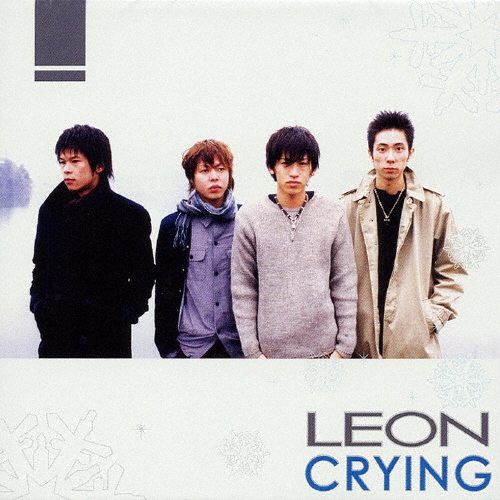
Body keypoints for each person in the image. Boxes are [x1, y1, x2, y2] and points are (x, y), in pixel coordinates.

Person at [341, 110, 466, 358]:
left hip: (414, 346)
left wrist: (431, 318)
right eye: (382, 149)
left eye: (399, 149)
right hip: (359, 345)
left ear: (410, 152)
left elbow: (453, 269)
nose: (390, 157)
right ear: (370, 153)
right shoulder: (348, 206)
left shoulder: (434, 206)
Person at [231, 126, 357, 359]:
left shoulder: (333, 213)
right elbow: (243, 288)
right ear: (272, 167)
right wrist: (253, 352)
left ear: (313, 169)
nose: (294, 173)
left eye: (302, 164)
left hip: (325, 353)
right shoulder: (250, 217)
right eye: (286, 164)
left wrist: (344, 349)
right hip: (269, 356)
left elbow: (344, 282)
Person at [30, 124, 155, 358]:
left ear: (100, 165)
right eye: (62, 162)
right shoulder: (50, 211)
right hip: (56, 340)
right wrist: (39, 308)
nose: (67, 169)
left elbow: (144, 276)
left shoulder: (130, 215)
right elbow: (40, 267)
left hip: (109, 342)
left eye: (75, 161)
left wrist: (126, 314)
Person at [155, 139, 243, 358]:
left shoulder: (247, 220)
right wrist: (169, 352)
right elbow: (164, 292)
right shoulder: (174, 226)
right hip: (191, 348)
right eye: (205, 170)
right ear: (191, 178)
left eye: (221, 169)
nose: (214, 177)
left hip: (238, 347)